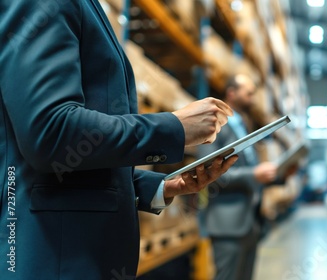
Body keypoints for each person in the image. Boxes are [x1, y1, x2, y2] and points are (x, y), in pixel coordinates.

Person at [0, 1, 238, 279]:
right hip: (53, 256)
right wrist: (174, 128)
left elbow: (68, 157)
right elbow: (50, 131)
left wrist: (161, 186)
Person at [198, 74, 278, 280]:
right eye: (248, 93)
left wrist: (281, 175)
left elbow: (250, 169)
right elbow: (208, 173)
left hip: (250, 222)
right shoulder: (212, 125)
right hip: (228, 225)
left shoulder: (243, 126)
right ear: (231, 93)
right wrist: (253, 174)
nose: (252, 98)